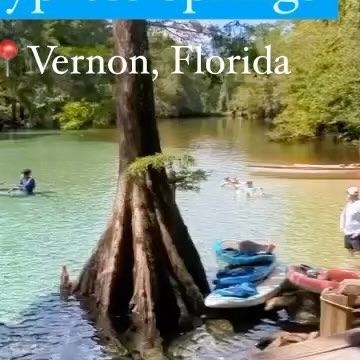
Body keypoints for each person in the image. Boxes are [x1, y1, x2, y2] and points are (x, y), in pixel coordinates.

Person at [340, 186, 360, 253]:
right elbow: (343, 216)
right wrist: (342, 228)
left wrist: (358, 232)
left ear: (352, 195)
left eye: (348, 194)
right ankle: (350, 263)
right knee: (350, 253)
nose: (347, 196)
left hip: (356, 235)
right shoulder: (348, 204)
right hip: (347, 234)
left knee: (358, 253)